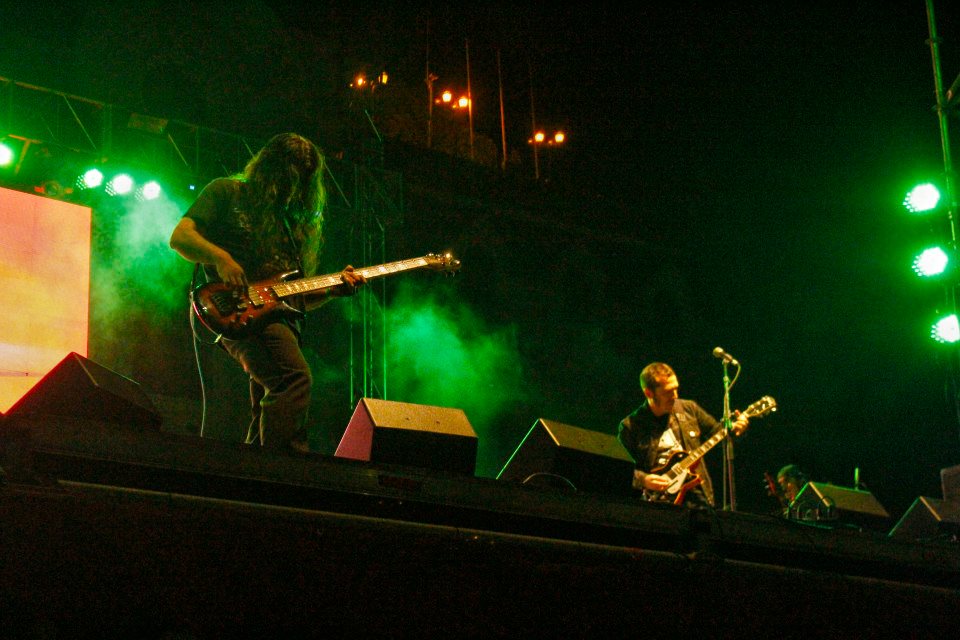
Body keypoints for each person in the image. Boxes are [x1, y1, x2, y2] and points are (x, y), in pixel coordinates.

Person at [169, 132, 365, 454]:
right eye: (290, 175)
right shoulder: (226, 191)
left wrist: (331, 291)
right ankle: (286, 468)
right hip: (233, 308)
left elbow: (293, 297)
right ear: (270, 167)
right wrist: (221, 258)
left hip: (276, 319)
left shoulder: (288, 223)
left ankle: (256, 469)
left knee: (269, 404)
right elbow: (180, 237)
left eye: (303, 180)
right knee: (292, 380)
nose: (294, 186)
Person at [617, 362, 749, 508]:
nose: (675, 396)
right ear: (649, 393)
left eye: (676, 389)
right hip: (657, 504)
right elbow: (620, 470)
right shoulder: (630, 427)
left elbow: (719, 433)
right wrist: (644, 480)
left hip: (699, 499)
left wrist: (736, 430)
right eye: (668, 392)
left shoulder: (688, 409)